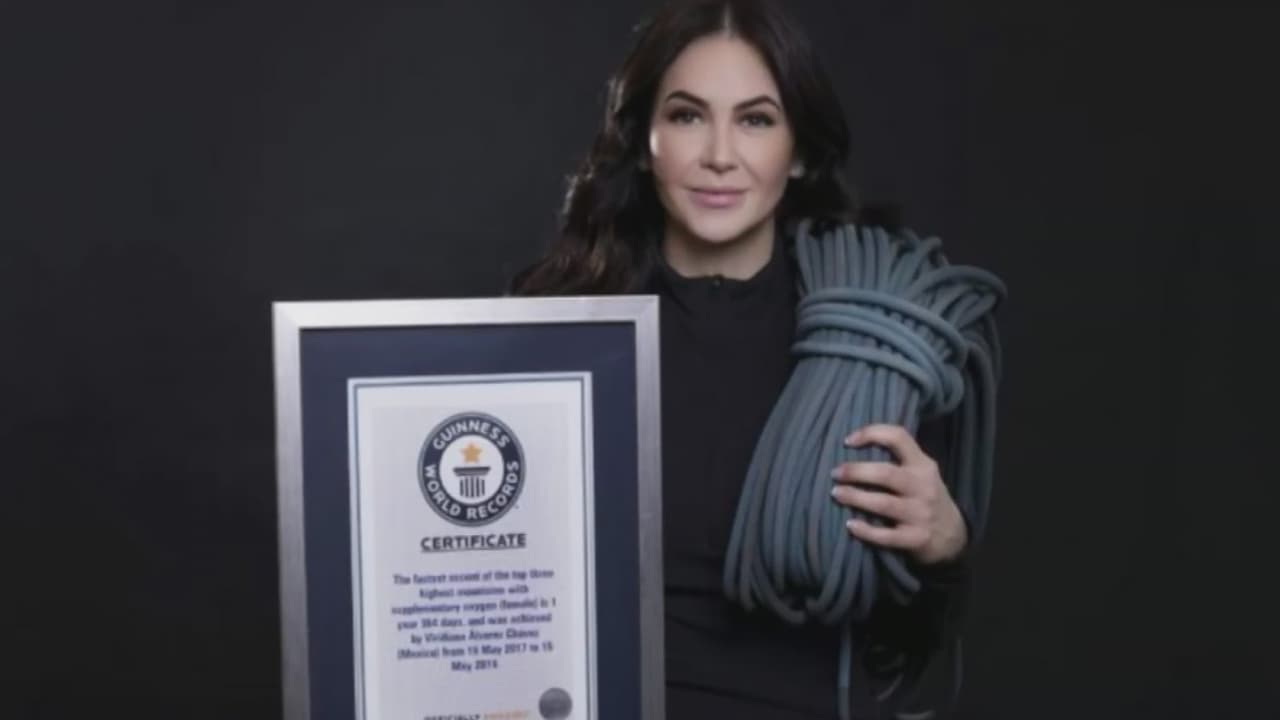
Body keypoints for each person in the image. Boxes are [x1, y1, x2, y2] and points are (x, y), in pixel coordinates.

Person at [511, 0, 976, 717]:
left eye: (756, 120)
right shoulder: (554, 330)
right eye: (687, 116)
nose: (720, 154)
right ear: (645, 141)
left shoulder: (874, 341)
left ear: (800, 152)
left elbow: (902, 642)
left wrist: (943, 548)